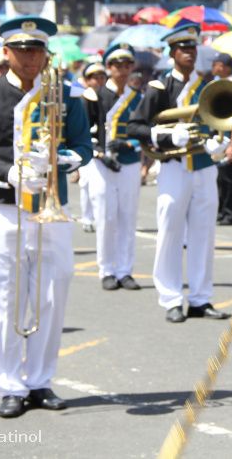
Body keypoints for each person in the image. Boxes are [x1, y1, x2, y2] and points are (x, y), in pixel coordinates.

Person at [0, 16, 92, 417]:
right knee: (4, 297)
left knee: (51, 296)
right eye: (22, 51)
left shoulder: (66, 93)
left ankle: (39, 380)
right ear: (6, 52)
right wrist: (7, 172)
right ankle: (9, 385)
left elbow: (84, 147)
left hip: (51, 208)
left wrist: (59, 160)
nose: (30, 58)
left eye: (36, 50)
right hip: (3, 208)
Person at [128, 24, 231, 323]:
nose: (189, 53)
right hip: (174, 167)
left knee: (204, 235)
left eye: (192, 48)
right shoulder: (160, 87)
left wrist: (218, 141)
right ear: (172, 53)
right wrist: (166, 136)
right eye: (183, 49)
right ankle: (171, 298)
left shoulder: (207, 86)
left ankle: (200, 298)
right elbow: (135, 126)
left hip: (204, 167)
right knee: (170, 233)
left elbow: (218, 121)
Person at [86, 43, 143, 291]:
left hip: (129, 162)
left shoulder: (138, 98)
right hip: (103, 164)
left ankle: (125, 270)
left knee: (127, 218)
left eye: (127, 64)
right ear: (108, 67)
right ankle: (107, 270)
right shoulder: (95, 96)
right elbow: (84, 132)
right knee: (106, 218)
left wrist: (130, 143)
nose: (122, 69)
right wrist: (99, 154)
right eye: (117, 64)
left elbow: (144, 131)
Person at [211, 52, 232, 225]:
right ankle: (222, 211)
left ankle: (231, 214)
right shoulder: (217, 83)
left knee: (230, 177)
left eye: (216, 64)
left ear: (225, 67)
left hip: (231, 136)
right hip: (219, 134)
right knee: (220, 176)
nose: (214, 67)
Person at [77, 62, 106, 233]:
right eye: (95, 78)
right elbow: (83, 126)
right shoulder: (84, 98)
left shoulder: (103, 97)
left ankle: (95, 216)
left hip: (100, 146)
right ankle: (86, 217)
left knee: (97, 186)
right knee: (86, 183)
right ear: (87, 80)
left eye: (102, 77)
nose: (99, 81)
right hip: (87, 146)